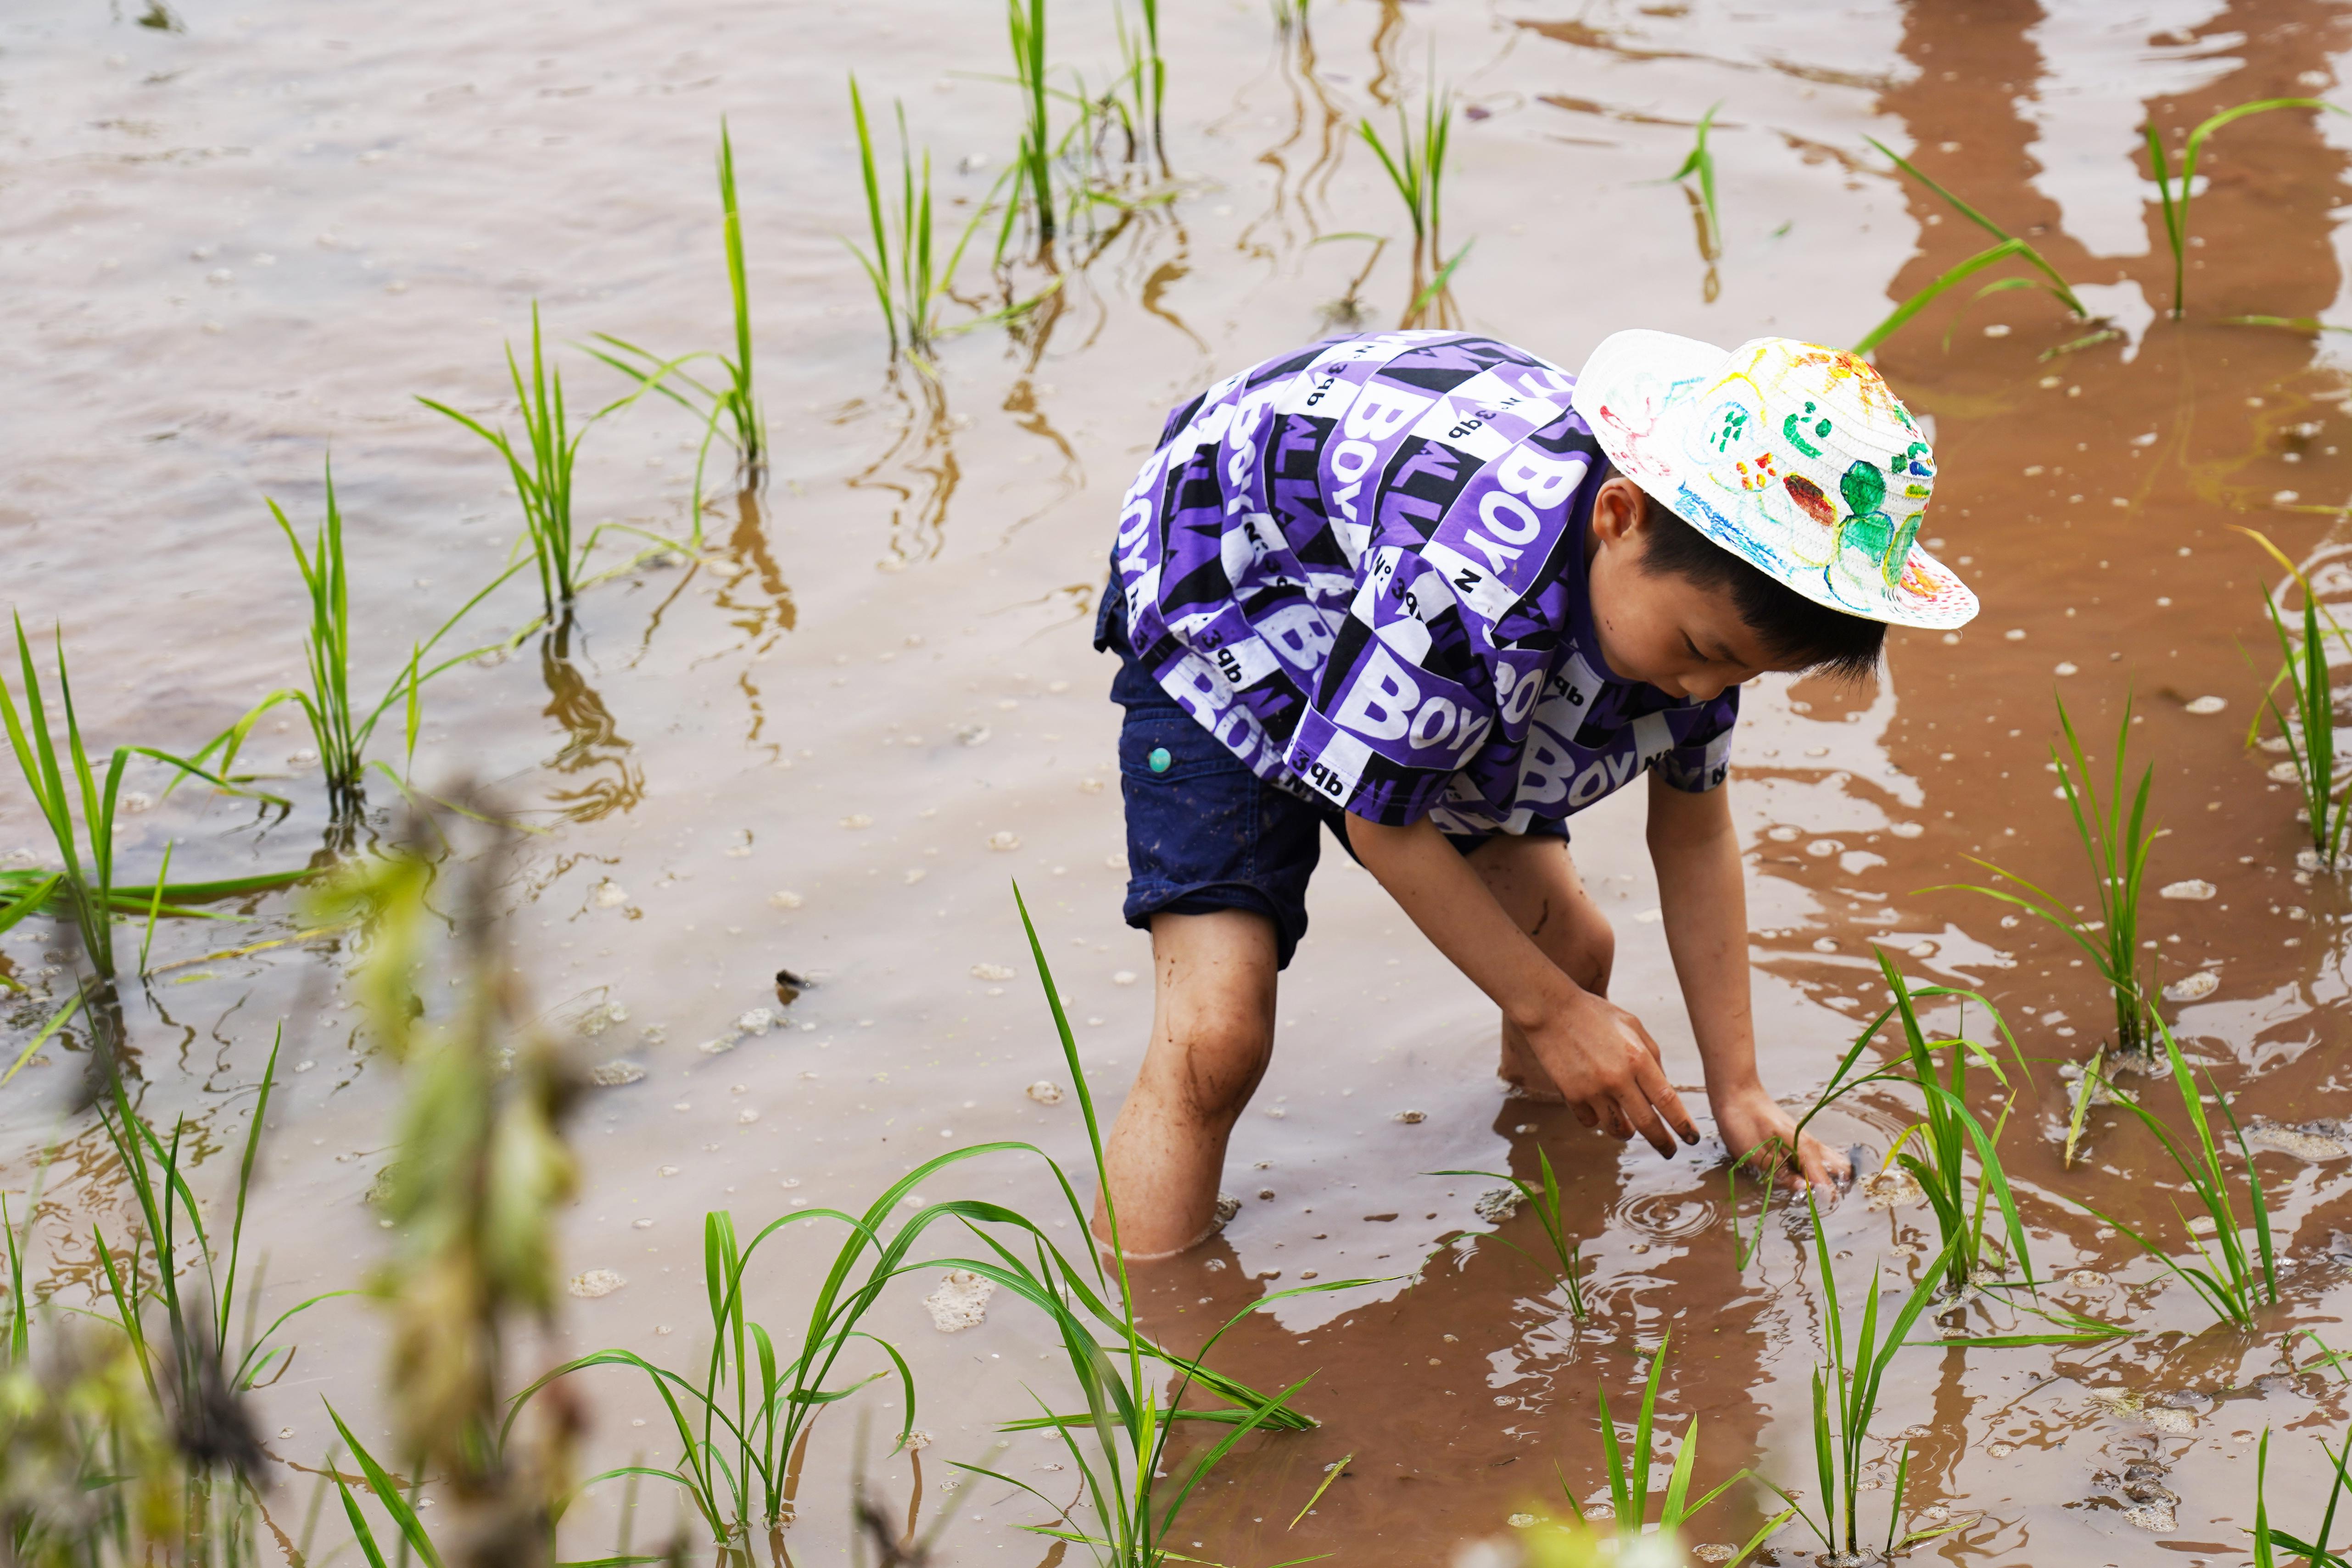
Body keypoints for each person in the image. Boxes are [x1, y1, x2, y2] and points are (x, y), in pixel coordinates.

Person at [1090, 329, 1974, 1258]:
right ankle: (1152, 1341)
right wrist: (1553, 1014)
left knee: (1572, 948)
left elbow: (1694, 837)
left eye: (1748, 674)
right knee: (1217, 1035)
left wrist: (1738, 1089)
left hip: (1406, 634)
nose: (1706, 695)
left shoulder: (1702, 630)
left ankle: (1533, 1247)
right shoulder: (1469, 588)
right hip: (1234, 602)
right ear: (1619, 516)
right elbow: (1380, 820)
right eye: (1706, 653)